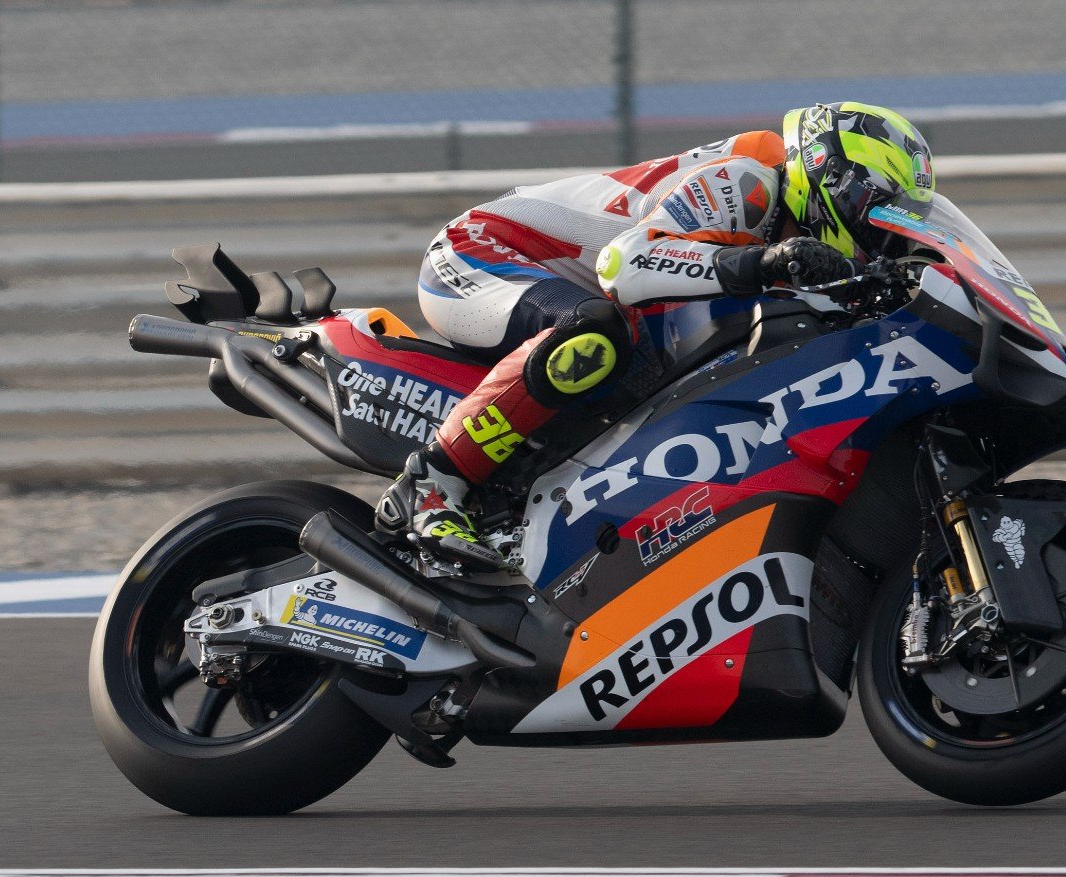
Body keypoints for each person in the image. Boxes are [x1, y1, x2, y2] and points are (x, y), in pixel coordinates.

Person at [377, 101, 937, 569]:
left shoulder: (795, 222)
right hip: (481, 255)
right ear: (829, 176)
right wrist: (766, 262)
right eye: (876, 206)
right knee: (596, 333)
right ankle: (428, 485)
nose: (881, 230)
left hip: (553, 278)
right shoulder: (749, 179)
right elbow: (627, 265)